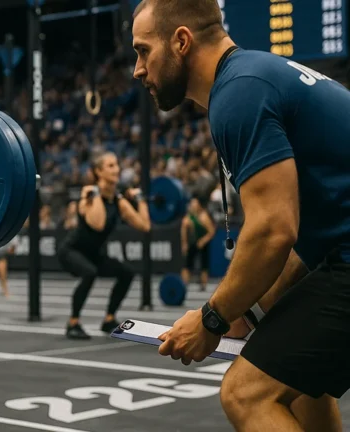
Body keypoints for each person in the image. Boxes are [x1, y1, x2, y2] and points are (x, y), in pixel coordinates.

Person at [132, 1, 350, 430]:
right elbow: (307, 240)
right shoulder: (257, 75)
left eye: (142, 51)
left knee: (246, 393)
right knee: (300, 386)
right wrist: (244, 313)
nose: (138, 69)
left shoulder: (238, 94)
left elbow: (273, 231)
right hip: (339, 251)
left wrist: (211, 318)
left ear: (181, 41)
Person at [56, 152, 151, 340]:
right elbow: (98, 223)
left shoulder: (118, 201)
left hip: (94, 253)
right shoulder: (88, 198)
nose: (116, 169)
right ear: (99, 172)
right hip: (71, 250)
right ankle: (73, 323)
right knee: (89, 272)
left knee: (126, 273)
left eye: (116, 165)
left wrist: (139, 198)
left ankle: (109, 319)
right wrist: (98, 193)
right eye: (110, 166)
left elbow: (144, 226)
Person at [180, 196, 216, 291]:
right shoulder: (189, 216)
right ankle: (184, 285)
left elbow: (211, 231)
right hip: (193, 242)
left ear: (199, 205)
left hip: (203, 243)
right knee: (187, 264)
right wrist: (184, 243)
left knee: (204, 265)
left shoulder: (203, 217)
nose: (192, 205)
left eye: (194, 203)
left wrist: (203, 240)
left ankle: (203, 285)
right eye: (191, 203)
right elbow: (184, 228)